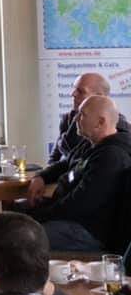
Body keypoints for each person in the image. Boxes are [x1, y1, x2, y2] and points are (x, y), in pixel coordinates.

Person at [23, 95, 131, 251]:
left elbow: (79, 204)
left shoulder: (112, 156)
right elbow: (65, 164)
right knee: (14, 218)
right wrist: (41, 177)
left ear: (100, 122)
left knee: (22, 237)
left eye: (82, 115)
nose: (76, 119)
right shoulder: (90, 143)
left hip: (88, 230)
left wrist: (40, 215)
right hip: (70, 218)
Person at [27, 72, 129, 206]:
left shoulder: (112, 144)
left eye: (81, 91)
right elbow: (62, 161)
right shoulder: (76, 126)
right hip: (63, 192)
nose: (73, 94)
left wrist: (43, 213)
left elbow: (81, 204)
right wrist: (42, 176)